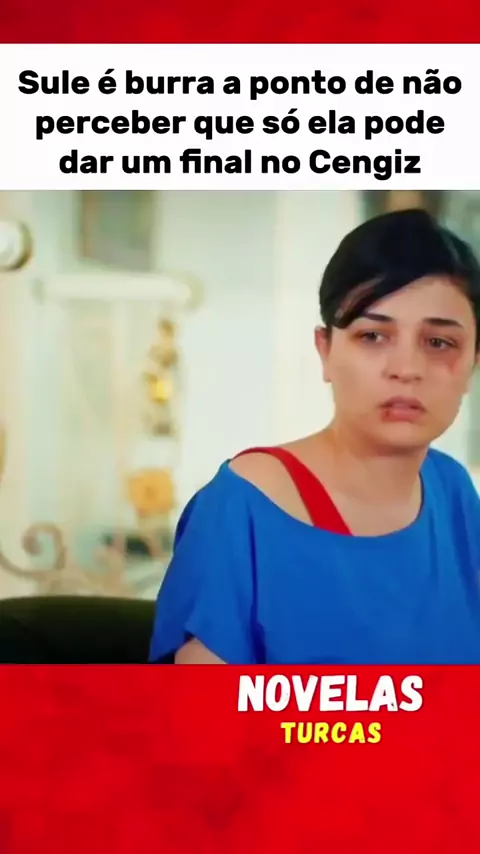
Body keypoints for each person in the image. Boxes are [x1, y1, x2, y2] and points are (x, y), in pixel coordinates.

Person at [149, 208, 480, 665]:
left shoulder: (452, 491)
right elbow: (202, 710)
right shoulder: (242, 507)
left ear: (473, 362)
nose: (406, 369)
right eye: (373, 336)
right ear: (325, 350)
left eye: (439, 343)